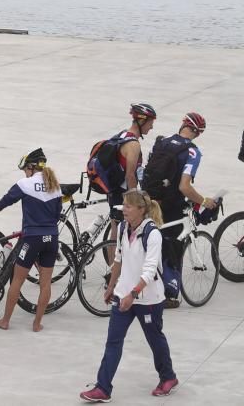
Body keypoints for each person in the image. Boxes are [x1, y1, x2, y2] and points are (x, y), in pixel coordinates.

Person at [80, 189, 177, 402]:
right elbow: (118, 259)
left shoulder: (153, 234)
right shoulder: (124, 227)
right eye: (124, 205)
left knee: (154, 339)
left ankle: (168, 377)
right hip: (123, 295)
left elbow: (150, 271)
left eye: (128, 206)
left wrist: (132, 294)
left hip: (147, 299)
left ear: (141, 210)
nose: (123, 210)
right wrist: (111, 287)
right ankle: (103, 388)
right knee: (113, 342)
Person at [0, 148, 62, 332]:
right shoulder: (55, 186)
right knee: (45, 284)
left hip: (32, 239)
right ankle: (37, 324)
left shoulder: (25, 184)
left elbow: (3, 203)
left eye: (25, 169)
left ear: (31, 167)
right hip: (52, 238)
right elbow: (57, 215)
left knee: (17, 280)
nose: (24, 173)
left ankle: (5, 321)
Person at [143, 112, 217, 309]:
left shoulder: (162, 141)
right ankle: (170, 294)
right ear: (197, 132)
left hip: (149, 199)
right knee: (171, 246)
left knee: (146, 240)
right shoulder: (192, 152)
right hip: (171, 205)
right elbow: (184, 187)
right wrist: (203, 201)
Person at [104, 103, 157, 263]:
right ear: (142, 121)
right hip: (123, 194)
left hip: (113, 190)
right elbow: (130, 175)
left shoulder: (122, 135)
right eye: (150, 123)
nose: (152, 127)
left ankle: (111, 271)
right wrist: (135, 198)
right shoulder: (133, 144)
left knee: (115, 231)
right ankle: (114, 272)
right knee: (120, 235)